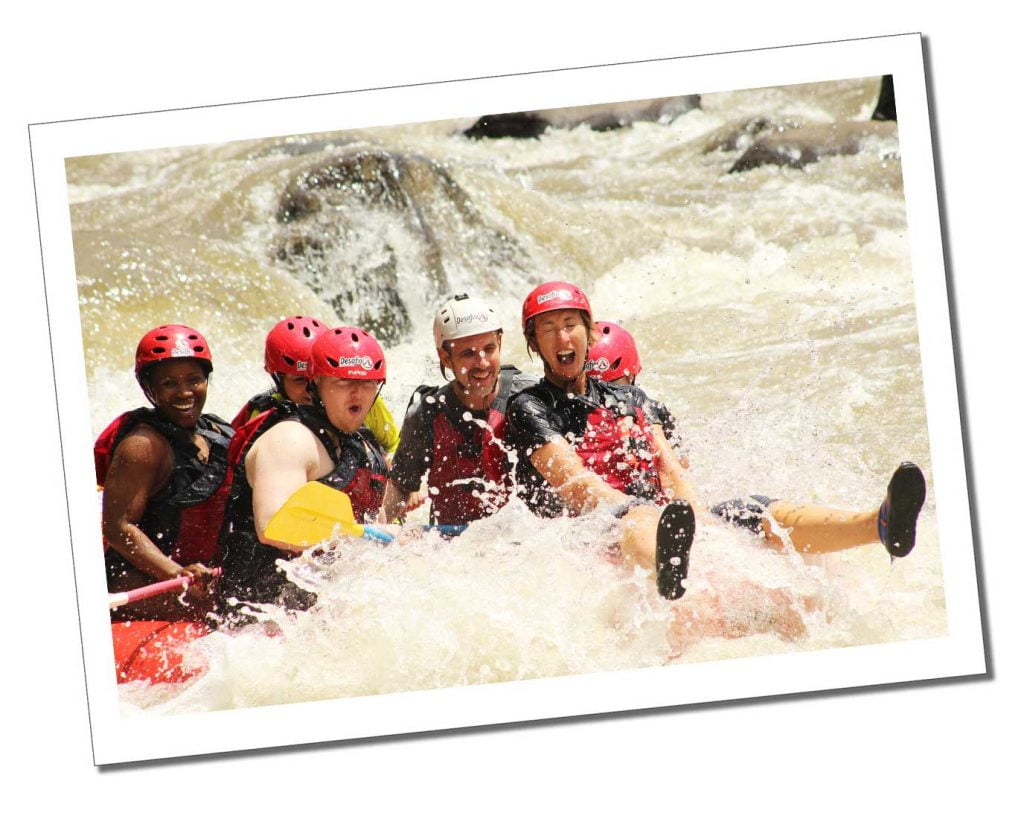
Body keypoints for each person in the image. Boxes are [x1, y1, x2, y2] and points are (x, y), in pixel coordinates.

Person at [506, 281, 927, 601]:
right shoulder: (529, 406)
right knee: (636, 516)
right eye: (548, 329)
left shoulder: (630, 398)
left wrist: (701, 520)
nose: (562, 338)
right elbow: (577, 483)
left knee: (754, 508)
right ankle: (667, 569)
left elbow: (670, 469)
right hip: (602, 525)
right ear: (534, 343)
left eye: (569, 325)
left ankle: (878, 525)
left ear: (588, 332)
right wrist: (639, 512)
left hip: (668, 521)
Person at [218, 326, 391, 617]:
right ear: (316, 383)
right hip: (263, 611)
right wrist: (362, 536)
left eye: (367, 383)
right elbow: (273, 526)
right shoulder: (290, 439)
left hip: (333, 602)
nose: (357, 393)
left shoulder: (364, 444)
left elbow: (377, 523)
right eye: (343, 382)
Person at [95, 324, 234, 621]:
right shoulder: (142, 446)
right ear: (149, 388)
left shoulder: (216, 430)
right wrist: (176, 574)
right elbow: (117, 527)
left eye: (194, 380)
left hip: (198, 573)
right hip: (142, 579)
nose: (184, 392)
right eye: (169, 383)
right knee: (226, 615)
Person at [382, 294, 535, 526]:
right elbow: (401, 488)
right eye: (468, 354)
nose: (482, 363)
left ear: (500, 343)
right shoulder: (426, 413)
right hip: (450, 542)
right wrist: (374, 527)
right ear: (445, 357)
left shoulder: (530, 398)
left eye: (489, 349)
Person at [231, 315, 400, 457]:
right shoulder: (267, 415)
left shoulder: (362, 401)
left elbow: (394, 445)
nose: (310, 387)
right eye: (299, 380)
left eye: (317, 379)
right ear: (277, 378)